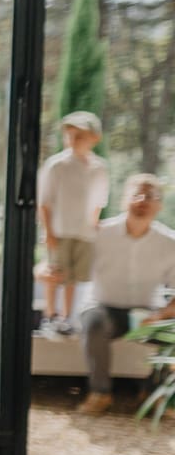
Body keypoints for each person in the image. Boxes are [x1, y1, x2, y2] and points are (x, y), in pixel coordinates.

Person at [75, 172, 175, 415]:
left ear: (159, 206)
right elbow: (68, 269)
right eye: (136, 194)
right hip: (104, 308)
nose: (142, 200)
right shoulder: (99, 234)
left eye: (150, 196)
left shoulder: (169, 242)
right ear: (123, 201)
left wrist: (161, 315)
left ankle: (153, 393)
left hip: (148, 314)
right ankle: (100, 393)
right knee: (93, 321)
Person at [37, 111, 109, 334]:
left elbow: (99, 201)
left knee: (73, 278)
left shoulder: (99, 168)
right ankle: (50, 315)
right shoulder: (57, 165)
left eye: (79, 135)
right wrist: (48, 232)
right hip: (60, 230)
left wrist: (93, 225)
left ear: (93, 138)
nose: (73, 140)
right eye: (70, 135)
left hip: (83, 232)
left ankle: (66, 318)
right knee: (55, 273)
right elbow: (45, 202)